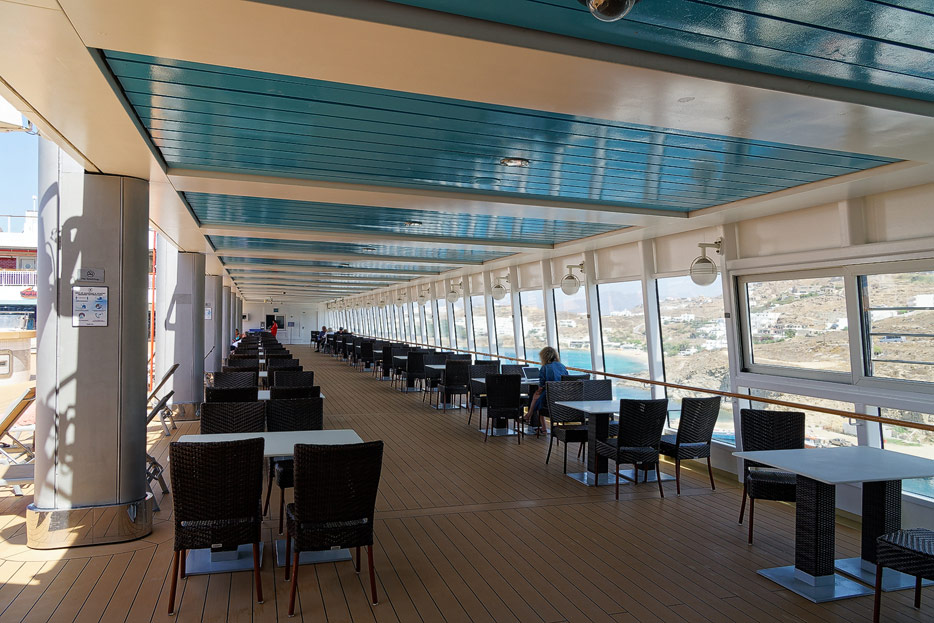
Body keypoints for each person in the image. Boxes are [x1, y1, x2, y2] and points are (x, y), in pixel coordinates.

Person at [525, 346, 568, 433]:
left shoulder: (545, 367)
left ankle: (530, 417)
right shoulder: (562, 366)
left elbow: (542, 385)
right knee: (537, 397)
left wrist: (539, 390)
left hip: (550, 396)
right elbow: (567, 380)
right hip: (562, 396)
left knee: (537, 398)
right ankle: (528, 416)